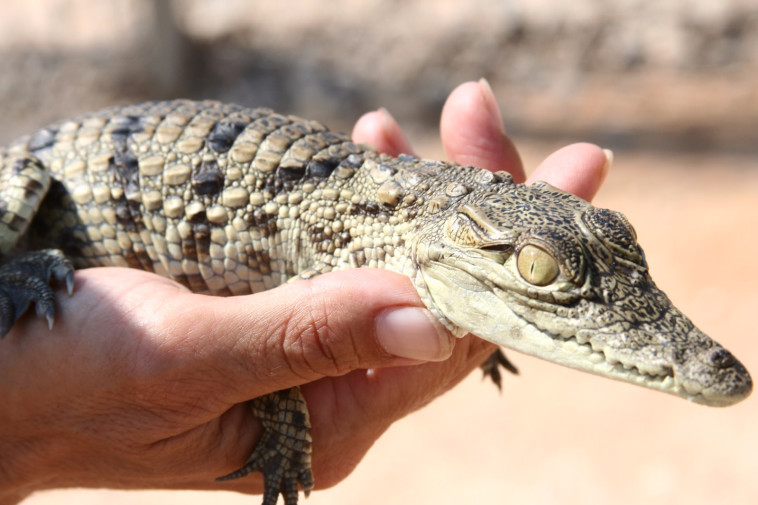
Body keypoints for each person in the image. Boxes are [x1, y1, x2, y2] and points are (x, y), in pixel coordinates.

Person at [0, 80, 609, 504]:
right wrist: (286, 435)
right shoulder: (349, 236)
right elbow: (286, 321)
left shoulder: (404, 226)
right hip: (61, 177)